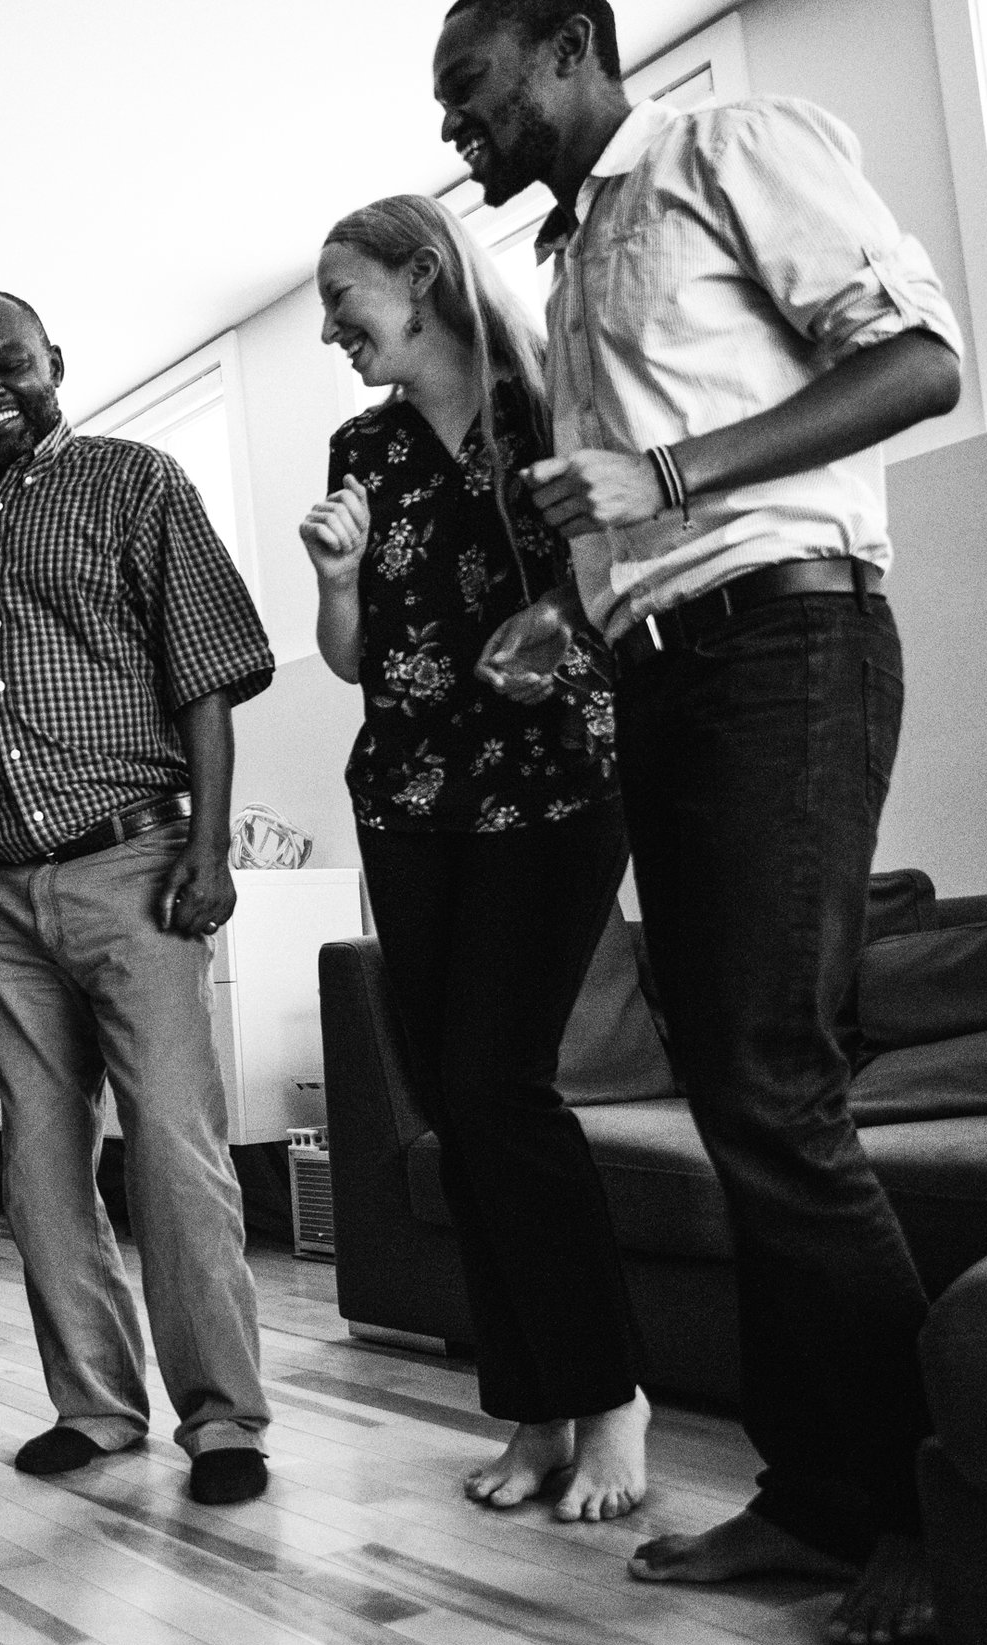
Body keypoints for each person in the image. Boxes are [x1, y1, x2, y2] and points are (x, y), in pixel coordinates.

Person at [434, 0, 964, 1645]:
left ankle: (931, 1517)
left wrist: (662, 483)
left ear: (566, 43)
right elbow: (651, 501)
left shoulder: (732, 142)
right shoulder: (574, 261)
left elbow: (925, 359)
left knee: (773, 1084)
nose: (457, 124)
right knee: (738, 1091)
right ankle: (815, 1496)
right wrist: (577, 623)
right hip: (671, 672)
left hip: (791, 641)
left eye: (472, 82)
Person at [302, 193, 646, 1521]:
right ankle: (537, 1411)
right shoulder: (364, 445)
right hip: (411, 796)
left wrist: (562, 618)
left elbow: (624, 571)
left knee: (501, 1083)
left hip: (556, 789)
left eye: (344, 295)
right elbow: (358, 655)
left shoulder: (557, 404)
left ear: (423, 272)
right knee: (456, 1097)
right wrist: (335, 580)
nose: (333, 326)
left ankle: (612, 1394)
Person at [0, 291, 276, 1506]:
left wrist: (211, 846)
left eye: (8, 359)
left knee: (173, 1149)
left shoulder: (137, 479)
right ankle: (96, 1406)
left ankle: (223, 1418)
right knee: (35, 1160)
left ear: (55, 362)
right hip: (0, 892)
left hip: (137, 866)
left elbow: (209, 675)